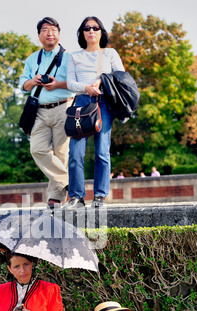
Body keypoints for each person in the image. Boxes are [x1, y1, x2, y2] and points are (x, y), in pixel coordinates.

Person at [65, 16, 125, 209]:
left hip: (104, 104)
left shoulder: (110, 53)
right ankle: (76, 196)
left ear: (101, 32)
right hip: (81, 104)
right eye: (87, 28)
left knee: (102, 152)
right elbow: (70, 83)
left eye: (95, 28)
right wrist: (86, 87)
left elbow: (121, 76)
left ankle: (99, 196)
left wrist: (101, 81)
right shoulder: (74, 56)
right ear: (82, 33)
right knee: (75, 153)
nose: (91, 31)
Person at [19, 17, 74, 209]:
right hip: (39, 110)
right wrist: (32, 81)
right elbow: (23, 85)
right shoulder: (32, 59)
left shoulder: (70, 57)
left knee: (61, 153)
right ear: (39, 36)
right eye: (45, 30)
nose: (50, 33)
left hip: (64, 107)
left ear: (59, 34)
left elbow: (78, 82)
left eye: (53, 29)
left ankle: (56, 197)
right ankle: (70, 181)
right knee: (38, 149)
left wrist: (57, 84)